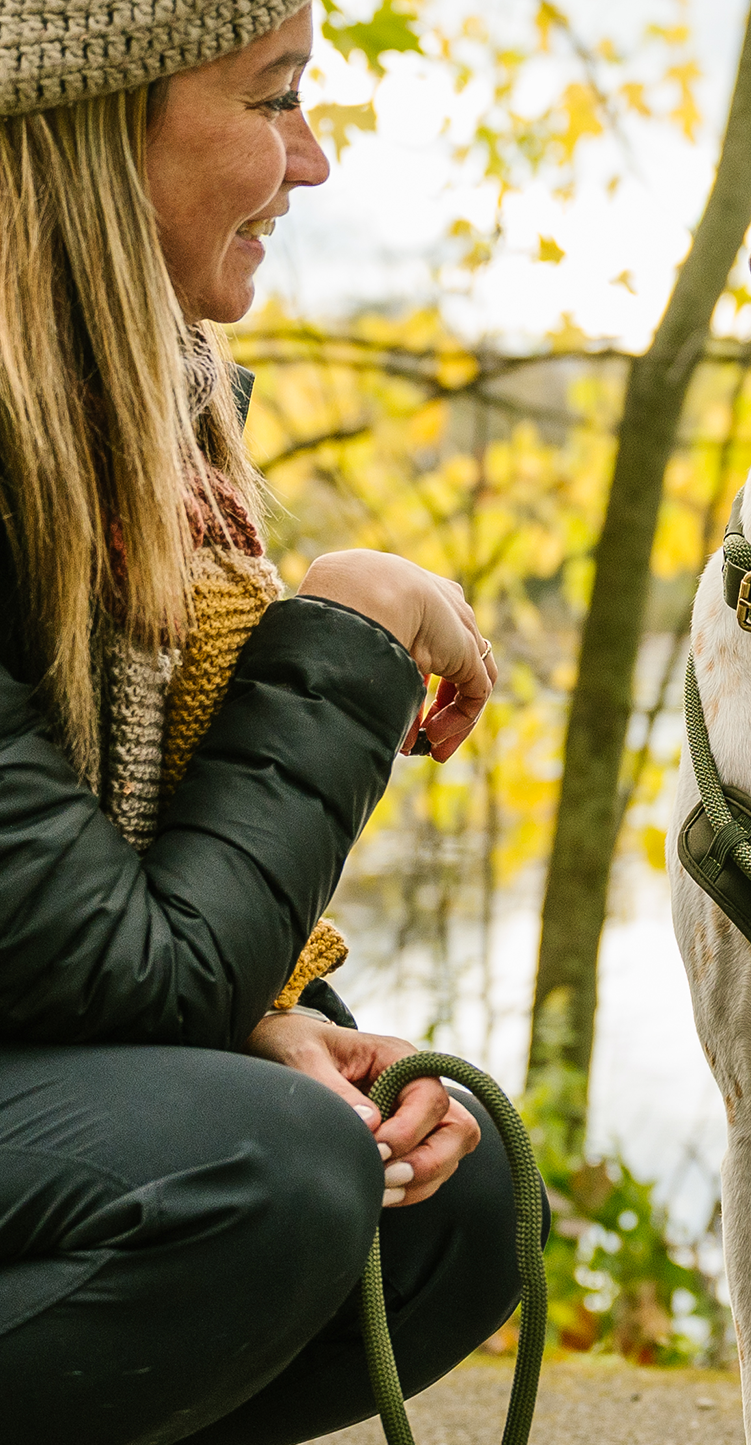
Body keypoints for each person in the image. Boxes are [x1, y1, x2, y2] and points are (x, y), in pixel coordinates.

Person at [0, 3, 540, 1440]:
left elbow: (67, 929)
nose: (310, 161)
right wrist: (350, 636)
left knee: (440, 1187)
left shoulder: (134, 435)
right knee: (269, 1168)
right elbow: (135, 968)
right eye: (274, 97)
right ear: (96, 125)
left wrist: (273, 1011)